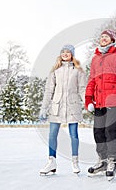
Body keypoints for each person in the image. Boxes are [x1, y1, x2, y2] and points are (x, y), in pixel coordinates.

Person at [85, 29, 116, 181]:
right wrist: (88, 98)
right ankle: (102, 161)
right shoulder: (95, 58)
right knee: (98, 132)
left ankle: (112, 161)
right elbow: (92, 80)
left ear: (112, 40)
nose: (103, 39)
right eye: (101, 37)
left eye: (106, 37)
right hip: (99, 101)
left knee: (110, 131)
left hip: (114, 100)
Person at [39, 44, 87, 175]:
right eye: (63, 52)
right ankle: (51, 162)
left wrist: (88, 103)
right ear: (60, 54)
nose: (65, 54)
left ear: (72, 54)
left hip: (73, 106)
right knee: (52, 134)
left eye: (68, 52)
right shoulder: (55, 70)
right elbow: (49, 91)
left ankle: (75, 161)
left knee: (74, 135)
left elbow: (82, 89)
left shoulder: (78, 71)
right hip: (57, 106)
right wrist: (44, 108)